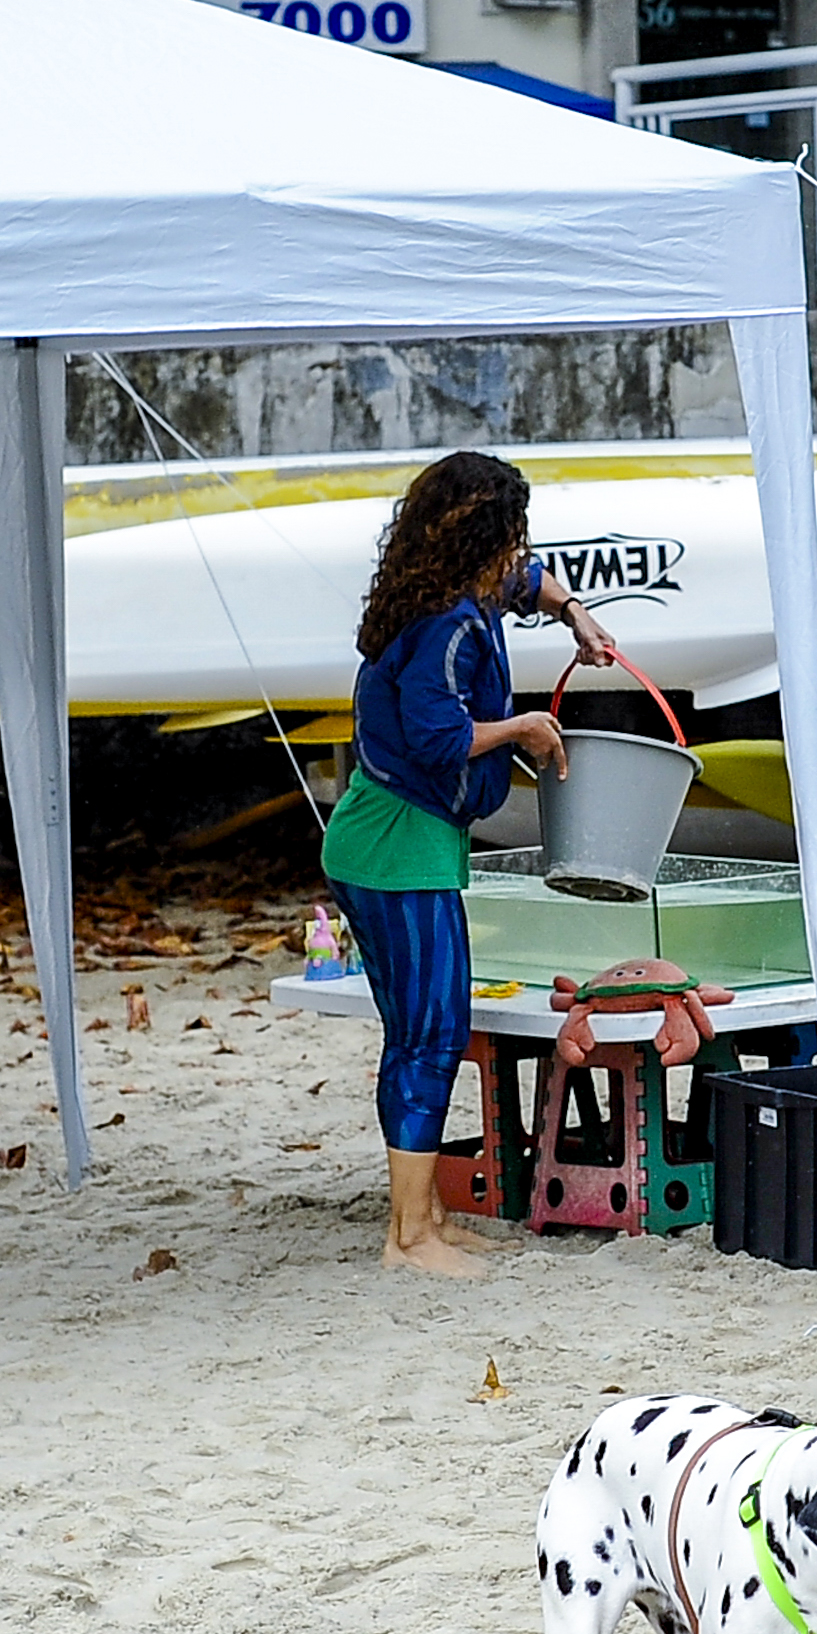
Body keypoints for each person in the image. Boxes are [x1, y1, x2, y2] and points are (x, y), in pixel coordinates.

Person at [322, 453, 614, 1278]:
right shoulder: (445, 622)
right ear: (481, 539)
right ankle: (407, 1235)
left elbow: (528, 581)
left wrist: (575, 614)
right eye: (510, 534)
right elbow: (438, 736)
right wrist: (522, 728)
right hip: (394, 845)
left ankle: (426, 1216)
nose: (519, 551)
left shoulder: (448, 586)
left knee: (429, 1029)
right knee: (428, 1035)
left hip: (399, 839)